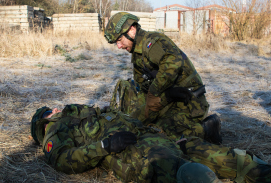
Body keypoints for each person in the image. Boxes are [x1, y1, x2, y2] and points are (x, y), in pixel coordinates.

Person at [31, 104, 271, 183]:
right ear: (43, 124)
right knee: (186, 171)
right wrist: (105, 146)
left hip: (156, 137)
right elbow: (62, 160)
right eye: (47, 112)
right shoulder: (55, 129)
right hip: (132, 151)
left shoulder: (88, 111)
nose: (54, 109)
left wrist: (163, 133)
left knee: (225, 156)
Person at [104, 12, 217, 143]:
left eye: (119, 40)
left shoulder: (152, 42)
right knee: (136, 126)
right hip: (167, 102)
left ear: (132, 30)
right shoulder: (137, 55)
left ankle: (206, 129)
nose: (119, 46)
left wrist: (155, 91)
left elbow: (173, 62)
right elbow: (144, 89)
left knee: (160, 138)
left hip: (188, 102)